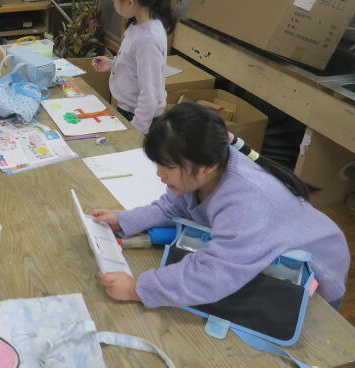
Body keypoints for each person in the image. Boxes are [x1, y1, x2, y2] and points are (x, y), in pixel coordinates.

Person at [92, 102, 349, 310]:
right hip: (269, 255)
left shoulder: (246, 203)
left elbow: (214, 274)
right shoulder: (205, 167)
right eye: (157, 163)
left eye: (168, 166)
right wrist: (124, 220)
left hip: (315, 270)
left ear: (207, 166)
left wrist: (138, 288)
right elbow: (171, 207)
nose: (160, 174)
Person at [92, 0, 177, 134]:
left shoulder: (147, 39)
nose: (114, 5)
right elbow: (135, 65)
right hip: (130, 110)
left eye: (114, 1)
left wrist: (136, 131)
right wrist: (113, 64)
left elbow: (149, 95)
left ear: (129, 2)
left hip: (141, 118)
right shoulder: (139, 25)